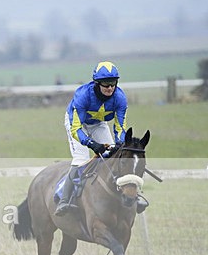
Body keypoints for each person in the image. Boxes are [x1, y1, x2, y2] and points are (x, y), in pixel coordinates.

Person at [56, 61, 143, 216]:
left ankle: (128, 193)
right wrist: (92, 144)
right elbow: (76, 128)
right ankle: (64, 198)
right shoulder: (82, 96)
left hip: (98, 124)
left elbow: (120, 127)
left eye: (113, 83)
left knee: (113, 156)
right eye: (106, 84)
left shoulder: (120, 98)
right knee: (81, 159)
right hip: (77, 125)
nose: (110, 88)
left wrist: (120, 144)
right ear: (97, 83)